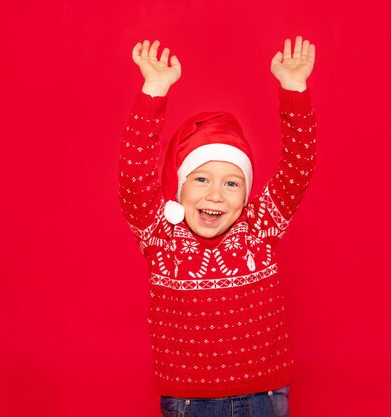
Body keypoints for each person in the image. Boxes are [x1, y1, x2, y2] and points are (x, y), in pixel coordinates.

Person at [119, 36, 317, 417]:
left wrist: (294, 89)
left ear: (246, 196)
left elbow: (298, 166)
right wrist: (154, 90)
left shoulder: (260, 224)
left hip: (265, 396)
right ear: (179, 189)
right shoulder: (160, 233)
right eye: (201, 179)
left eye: (231, 183)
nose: (215, 195)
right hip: (189, 402)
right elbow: (132, 176)